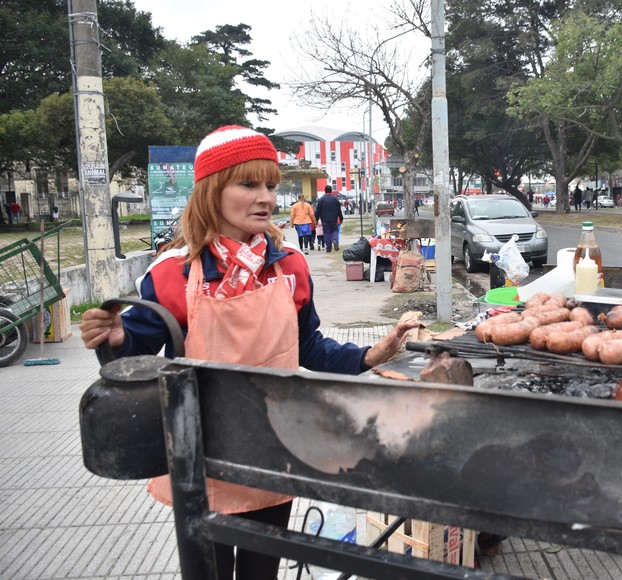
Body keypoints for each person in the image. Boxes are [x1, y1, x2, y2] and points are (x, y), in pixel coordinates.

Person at [79, 125, 418, 580]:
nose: (265, 198)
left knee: (262, 571)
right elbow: (135, 362)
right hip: (202, 454)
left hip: (273, 446)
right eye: (248, 184)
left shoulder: (290, 266)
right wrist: (117, 338)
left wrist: (370, 356)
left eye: (271, 186)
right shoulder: (171, 275)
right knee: (208, 570)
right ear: (211, 191)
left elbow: (308, 348)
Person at [315, 185, 343, 252]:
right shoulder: (335, 199)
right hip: (334, 219)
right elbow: (339, 210)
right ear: (331, 191)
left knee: (327, 233)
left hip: (324, 219)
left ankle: (329, 247)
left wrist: (316, 220)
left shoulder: (321, 199)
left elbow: (318, 211)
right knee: (335, 230)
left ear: (325, 191)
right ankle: (334, 240)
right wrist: (341, 218)